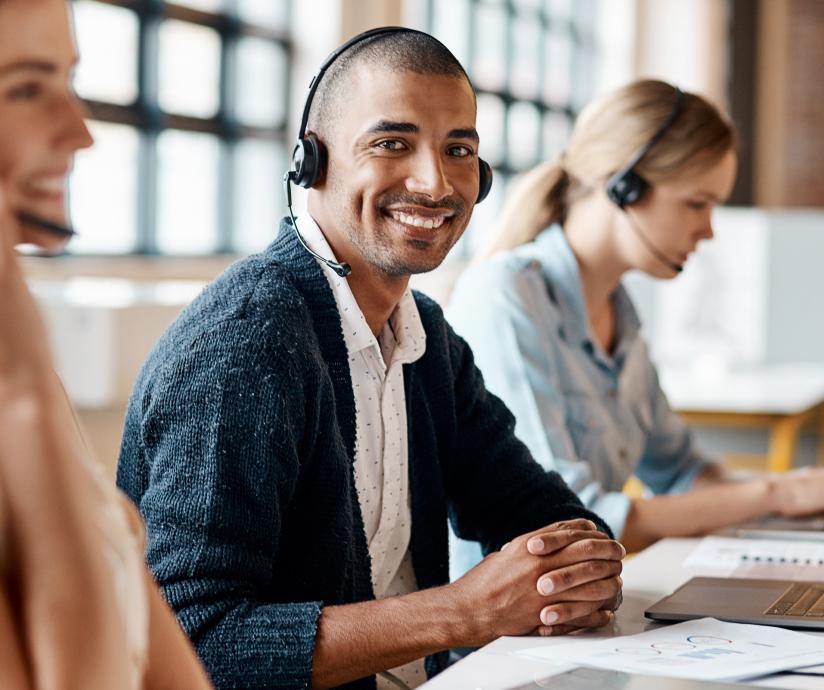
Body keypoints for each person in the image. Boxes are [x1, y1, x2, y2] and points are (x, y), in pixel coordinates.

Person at [117, 27, 624, 690]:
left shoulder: (427, 341)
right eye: (392, 143)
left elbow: (546, 515)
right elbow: (189, 641)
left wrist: (581, 565)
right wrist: (459, 613)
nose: (435, 181)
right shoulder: (246, 348)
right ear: (311, 163)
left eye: (459, 149)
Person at [448, 78, 824, 565]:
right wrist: (774, 493)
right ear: (623, 187)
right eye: (697, 203)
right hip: (504, 635)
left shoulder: (620, 314)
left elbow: (682, 471)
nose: (709, 230)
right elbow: (570, 521)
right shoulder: (506, 298)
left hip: (578, 616)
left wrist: (802, 493)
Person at [0, 1, 213, 687]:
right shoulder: (20, 378)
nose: (80, 133)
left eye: (69, 81)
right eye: (27, 89)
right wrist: (24, 390)